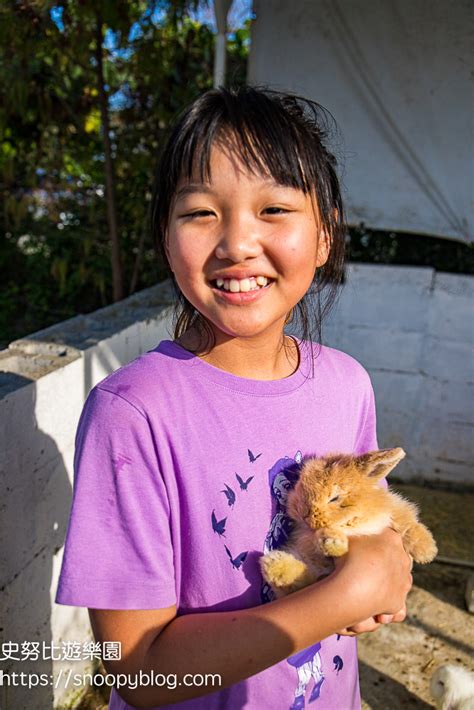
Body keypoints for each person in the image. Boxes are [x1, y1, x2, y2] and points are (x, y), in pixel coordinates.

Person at [56, 86, 412, 710]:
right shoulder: (134, 412)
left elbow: (363, 530)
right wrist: (340, 600)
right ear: (166, 240)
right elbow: (137, 671)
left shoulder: (347, 383)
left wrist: (381, 563)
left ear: (325, 236)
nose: (238, 243)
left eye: (274, 208)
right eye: (200, 212)